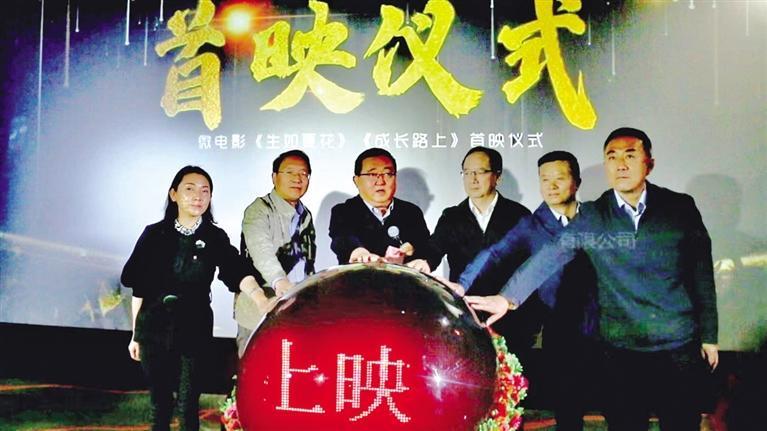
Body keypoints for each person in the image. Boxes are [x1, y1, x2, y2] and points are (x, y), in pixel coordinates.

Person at [464, 128, 718, 431]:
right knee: (625, 423)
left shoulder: (679, 208)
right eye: (612, 157)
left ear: (649, 163)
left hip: (677, 344)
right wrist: (507, 298)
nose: (621, 165)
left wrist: (709, 335)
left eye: (630, 155)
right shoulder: (594, 215)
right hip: (622, 348)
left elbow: (701, 272)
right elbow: (552, 254)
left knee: (681, 423)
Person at [449, 150, 598, 430]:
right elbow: (494, 253)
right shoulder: (531, 225)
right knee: (568, 401)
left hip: (608, 321)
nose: (551, 186)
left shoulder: (597, 216)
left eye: (559, 178)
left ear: (576, 182)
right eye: (544, 179)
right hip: (561, 323)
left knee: (618, 397)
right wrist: (464, 283)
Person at [122, 166, 270, 431]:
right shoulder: (154, 235)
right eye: (189, 189)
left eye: (205, 191)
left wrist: (260, 298)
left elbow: (235, 270)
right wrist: (136, 334)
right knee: (159, 404)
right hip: (153, 328)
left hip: (194, 328)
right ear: (174, 194)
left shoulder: (214, 237)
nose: (198, 196)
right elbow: (139, 287)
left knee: (188, 403)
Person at [409, 147, 541, 354]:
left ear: (497, 176)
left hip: (510, 315)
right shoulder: (452, 216)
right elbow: (434, 248)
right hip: (467, 314)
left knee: (515, 371)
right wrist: (424, 261)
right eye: (467, 172)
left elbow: (532, 266)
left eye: (480, 172)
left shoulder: (519, 215)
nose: (473, 179)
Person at [235, 150, 316, 356]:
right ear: (274, 177)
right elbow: (261, 251)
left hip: (297, 310)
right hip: (262, 308)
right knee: (256, 365)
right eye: (290, 172)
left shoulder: (305, 214)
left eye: (303, 174)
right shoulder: (259, 210)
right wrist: (280, 281)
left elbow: (307, 262)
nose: (298, 179)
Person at [329, 148, 430, 265]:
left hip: (402, 276)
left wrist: (413, 247)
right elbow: (342, 238)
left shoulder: (411, 212)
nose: (381, 181)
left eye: (388, 174)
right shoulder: (344, 211)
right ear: (357, 180)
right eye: (372, 174)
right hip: (359, 276)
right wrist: (359, 252)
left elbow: (424, 242)